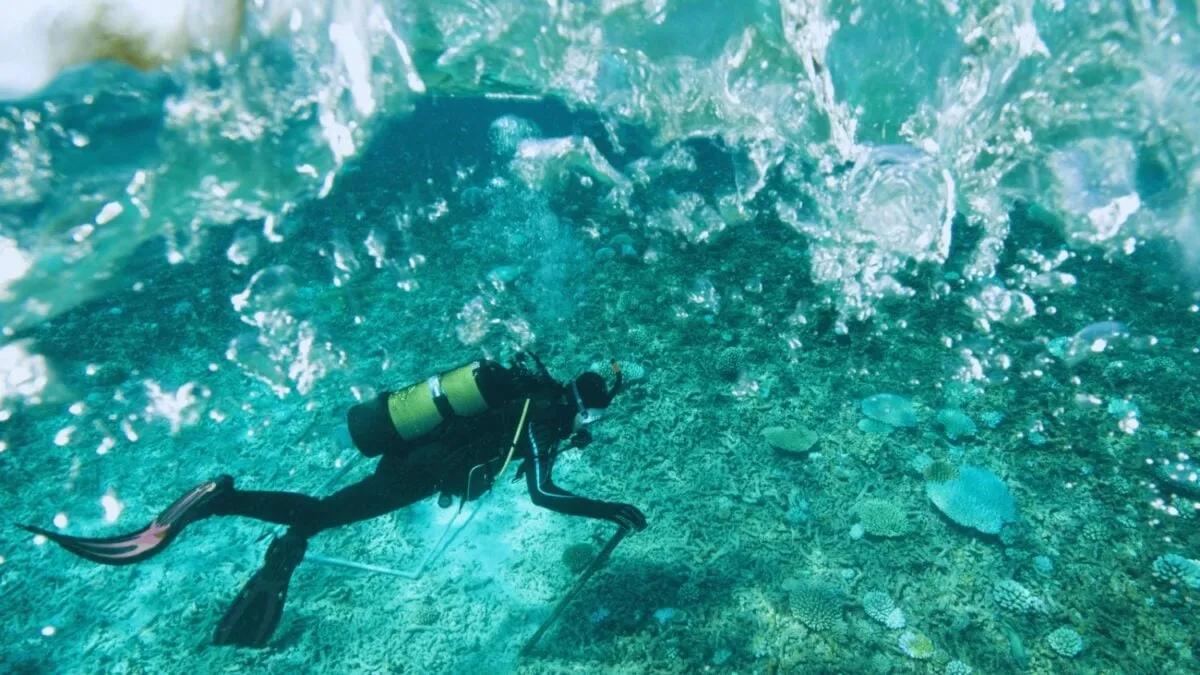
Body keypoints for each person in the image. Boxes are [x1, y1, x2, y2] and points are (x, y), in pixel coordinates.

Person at [18, 353, 647, 648]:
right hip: (417, 473)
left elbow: (511, 438)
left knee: (320, 517)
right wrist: (607, 509)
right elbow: (541, 491)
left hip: (413, 454)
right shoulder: (544, 418)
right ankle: (220, 500)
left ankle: (283, 548)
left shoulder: (535, 395)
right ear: (589, 402)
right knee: (320, 515)